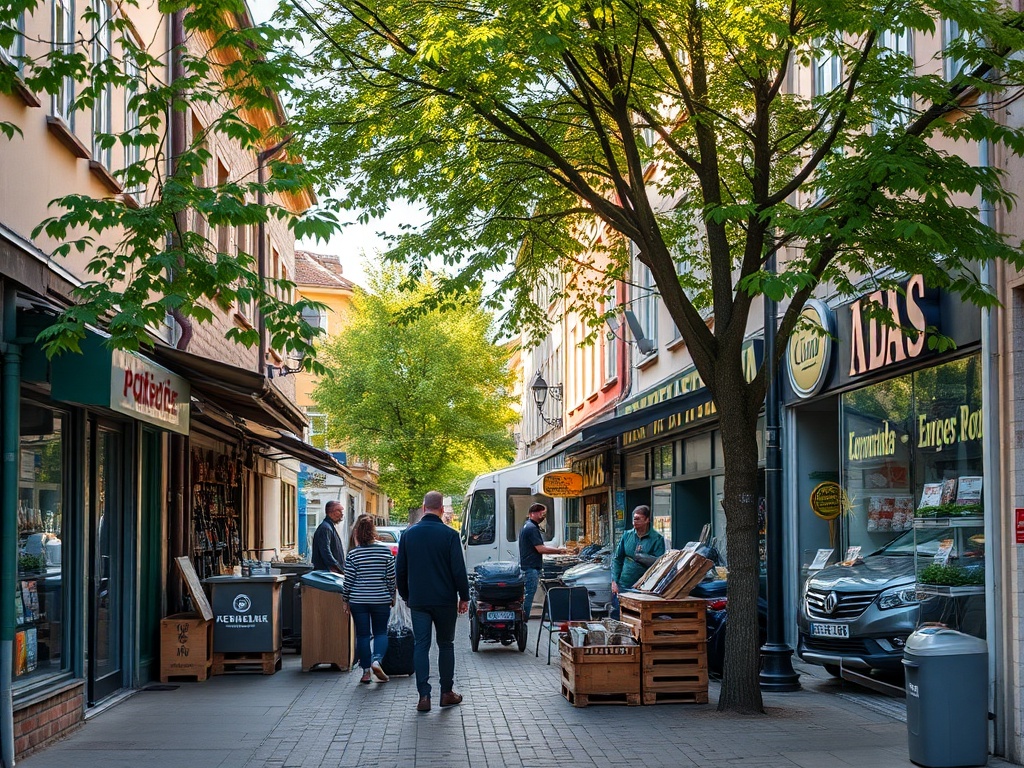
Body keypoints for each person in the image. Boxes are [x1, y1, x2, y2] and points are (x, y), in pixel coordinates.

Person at [396, 490, 470, 713]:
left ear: (423, 507)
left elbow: (401, 570)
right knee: (446, 644)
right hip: (445, 600)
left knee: (421, 645)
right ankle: (446, 693)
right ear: (441, 509)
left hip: (419, 600)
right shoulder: (450, 535)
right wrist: (464, 596)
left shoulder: (408, 534)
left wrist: (407, 595)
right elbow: (458, 570)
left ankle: (423, 696)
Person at [343, 515, 397, 684]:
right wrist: (392, 595)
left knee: (363, 634)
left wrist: (345, 599)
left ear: (357, 533)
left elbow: (348, 580)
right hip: (380, 599)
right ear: (374, 531)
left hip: (358, 600)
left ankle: (366, 672)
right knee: (380, 632)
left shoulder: (353, 554)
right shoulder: (384, 551)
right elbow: (391, 577)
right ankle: (377, 661)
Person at [610, 505, 666, 617]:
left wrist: (643, 557)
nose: (634, 521)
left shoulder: (657, 539)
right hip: (624, 585)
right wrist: (614, 581)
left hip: (644, 588)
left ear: (647, 520)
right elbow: (617, 559)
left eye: (638, 519)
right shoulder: (627, 536)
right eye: (634, 518)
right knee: (619, 615)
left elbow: (659, 564)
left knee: (639, 617)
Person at [518, 502, 567, 621]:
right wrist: (559, 551)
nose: (542, 516)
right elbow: (540, 548)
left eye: (543, 514)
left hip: (528, 565)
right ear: (532, 514)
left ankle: (522, 616)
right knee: (530, 594)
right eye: (540, 514)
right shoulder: (532, 528)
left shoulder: (528, 526)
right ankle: (523, 618)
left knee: (528, 593)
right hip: (531, 567)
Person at [311, 500, 344, 573]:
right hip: (326, 573)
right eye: (339, 511)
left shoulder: (329, 527)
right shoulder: (325, 528)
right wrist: (336, 567)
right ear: (330, 512)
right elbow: (326, 551)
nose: (341, 514)